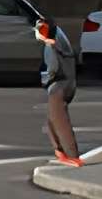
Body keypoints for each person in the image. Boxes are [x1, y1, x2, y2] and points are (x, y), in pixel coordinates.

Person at [35, 15, 83, 167]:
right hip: (69, 84)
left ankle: (72, 155)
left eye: (40, 29)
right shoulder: (61, 41)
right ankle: (59, 151)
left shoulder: (51, 47)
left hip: (58, 87)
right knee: (52, 118)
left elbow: (53, 69)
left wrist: (44, 78)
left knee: (60, 122)